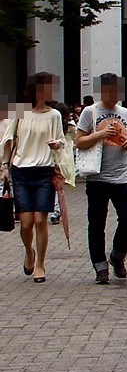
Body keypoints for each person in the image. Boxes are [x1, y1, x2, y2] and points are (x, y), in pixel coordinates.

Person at [1, 73, 66, 284]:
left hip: (44, 171)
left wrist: (57, 145)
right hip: (21, 171)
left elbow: (62, 141)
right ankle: (29, 252)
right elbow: (8, 139)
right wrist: (4, 166)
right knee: (26, 223)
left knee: (40, 220)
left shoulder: (55, 115)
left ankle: (40, 264)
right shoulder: (20, 112)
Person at [74, 74, 127, 284]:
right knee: (97, 222)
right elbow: (79, 141)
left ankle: (117, 256)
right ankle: (100, 267)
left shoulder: (126, 113)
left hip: (122, 176)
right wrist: (100, 134)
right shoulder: (90, 112)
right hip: (97, 177)